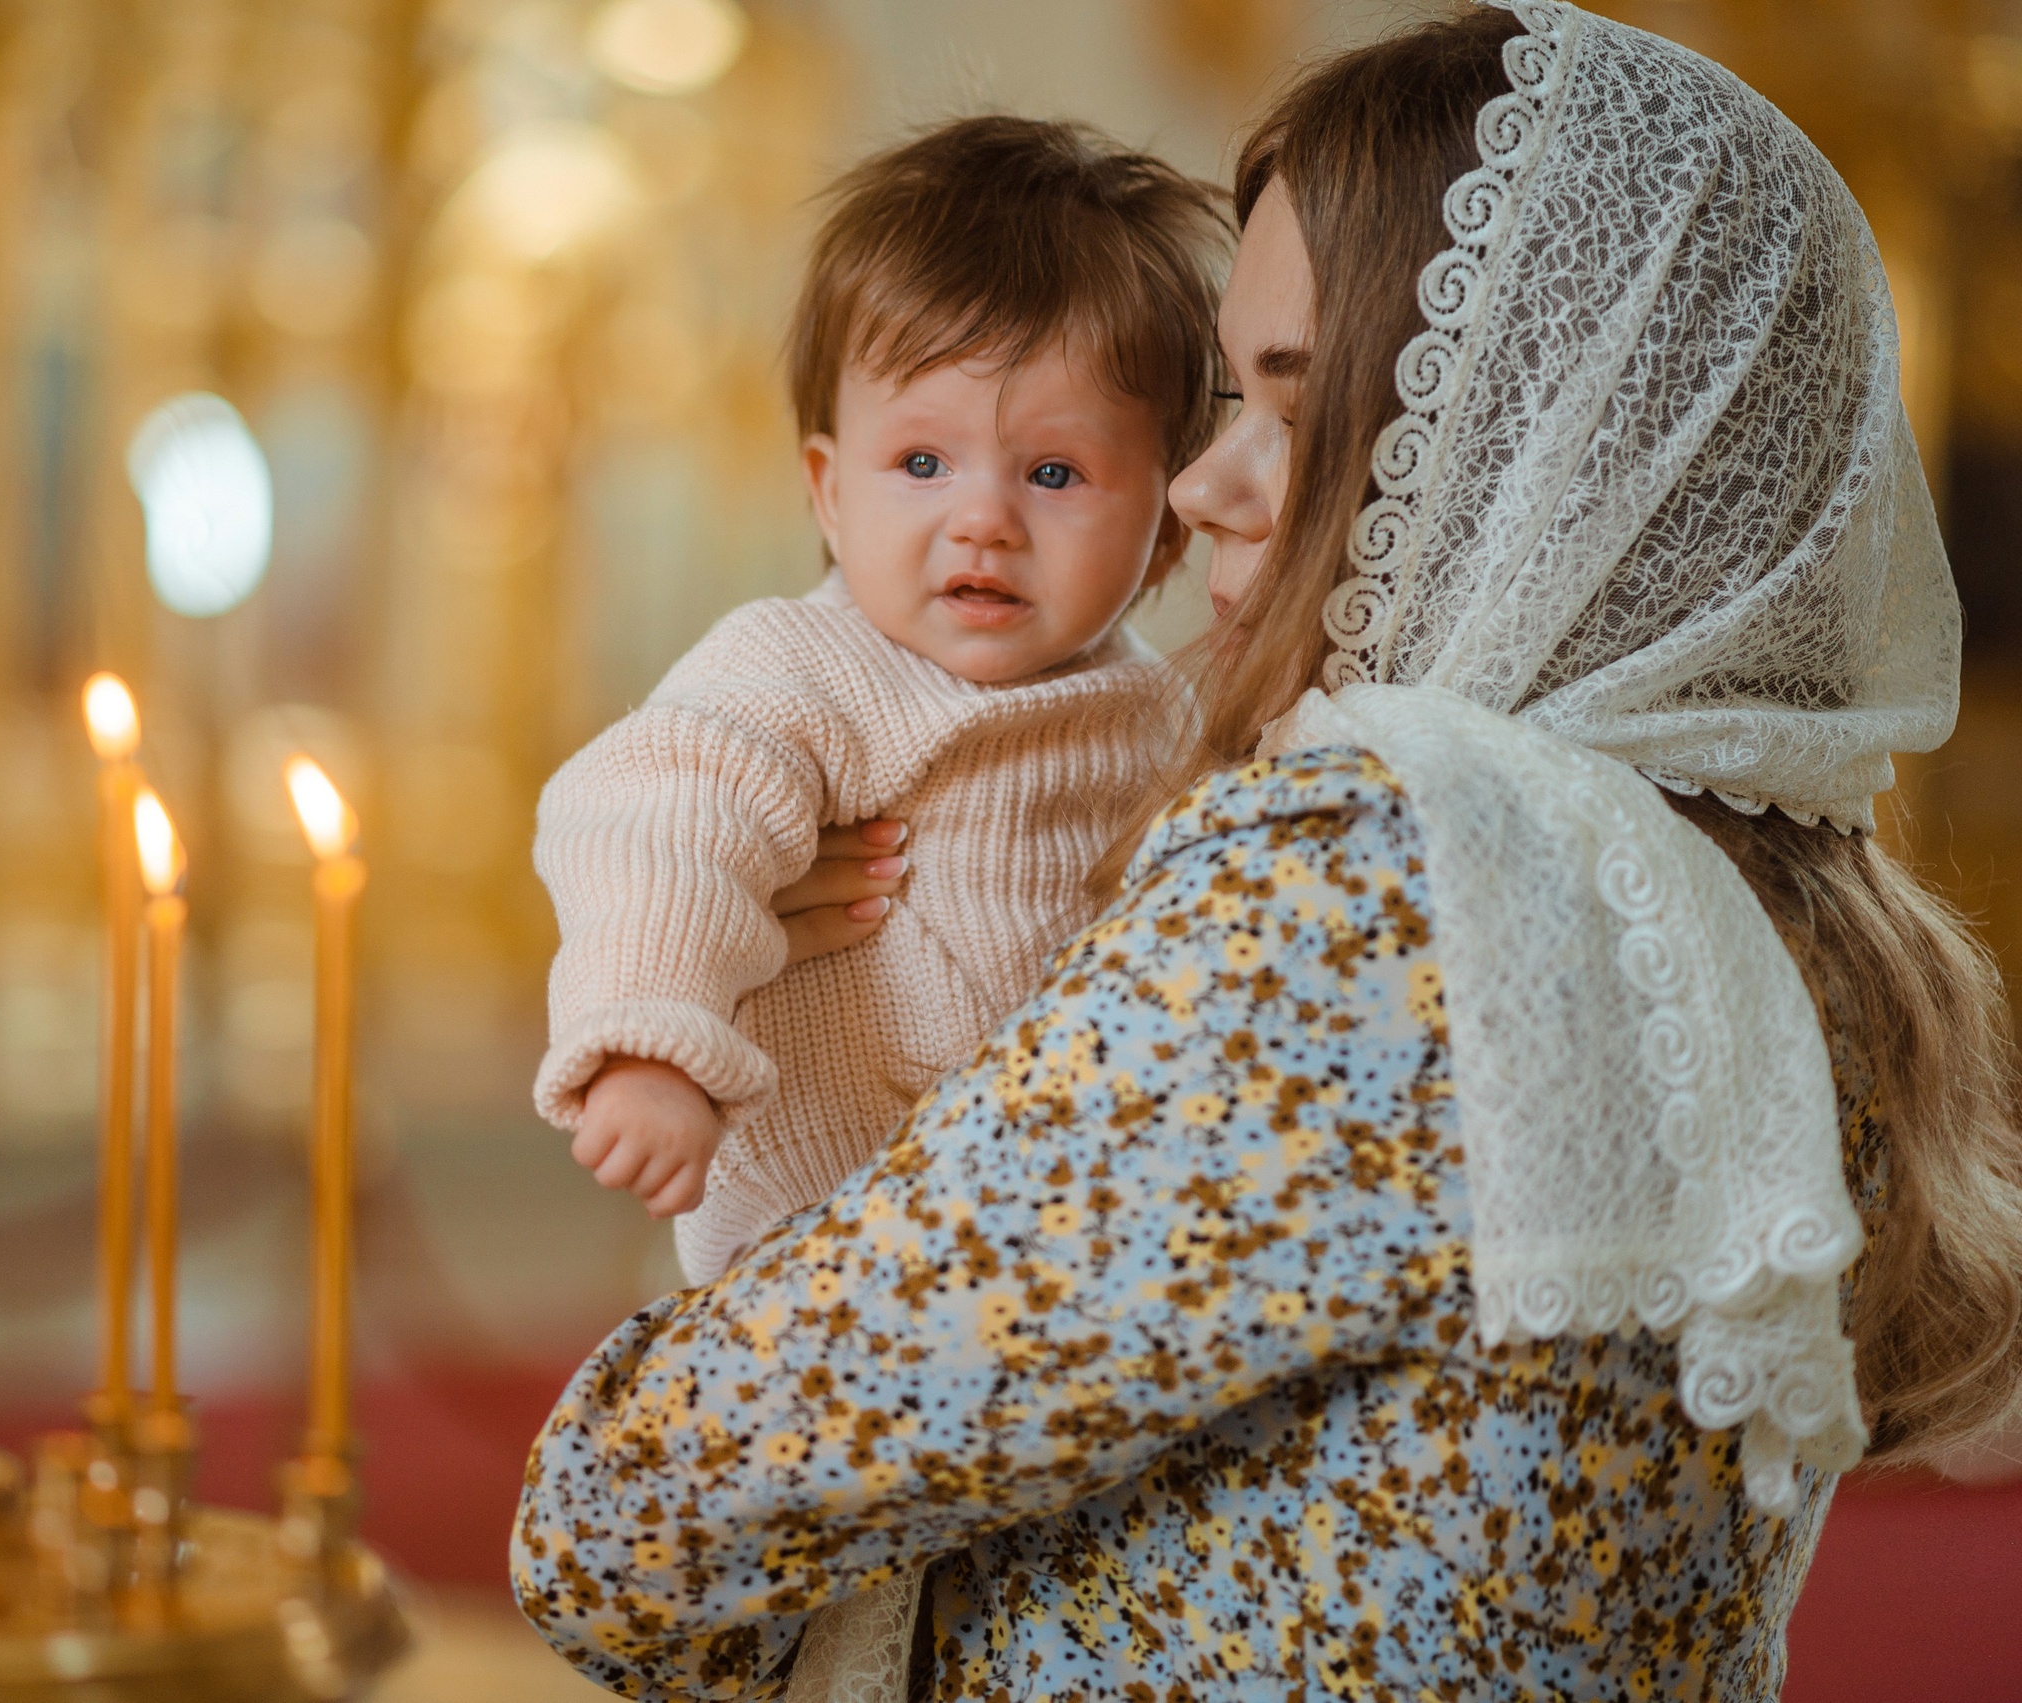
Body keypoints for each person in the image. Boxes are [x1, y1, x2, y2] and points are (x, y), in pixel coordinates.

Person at [511, 5, 2022, 1700]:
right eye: (1229, 399)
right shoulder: (1773, 898)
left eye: (1296, 411)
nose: (1208, 487)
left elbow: (623, 1515)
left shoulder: (1385, 868)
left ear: (1524, 453)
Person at [533, 117, 1223, 1286]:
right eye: (921, 464)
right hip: (814, 1245)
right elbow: (655, 816)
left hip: (1059, 1254)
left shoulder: (1170, 723)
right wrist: (655, 1043)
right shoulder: (803, 668)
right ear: (828, 493)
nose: (984, 519)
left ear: (1163, 533)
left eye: (1054, 474)